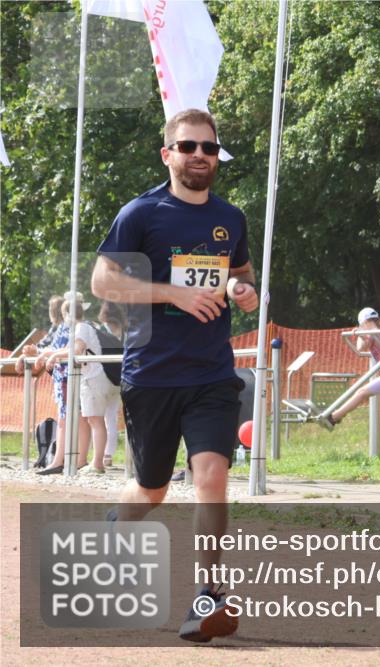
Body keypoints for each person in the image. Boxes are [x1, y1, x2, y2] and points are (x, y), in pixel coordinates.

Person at [91, 108, 258, 642]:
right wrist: (173, 293)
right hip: (152, 375)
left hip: (211, 373)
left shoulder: (231, 218)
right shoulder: (141, 214)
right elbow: (103, 283)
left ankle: (208, 596)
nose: (200, 157)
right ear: (168, 154)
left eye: (209, 148)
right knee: (152, 490)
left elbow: (244, 280)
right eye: (188, 147)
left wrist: (245, 293)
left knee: (211, 478)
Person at [43, 299, 118, 474]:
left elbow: (76, 350)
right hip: (100, 377)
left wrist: (52, 356)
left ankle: (97, 463)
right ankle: (96, 461)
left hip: (93, 377)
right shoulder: (86, 327)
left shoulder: (81, 328)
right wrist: (52, 354)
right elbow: (68, 350)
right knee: (96, 420)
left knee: (95, 420)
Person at [16, 294, 69, 474]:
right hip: (60, 376)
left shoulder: (63, 327)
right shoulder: (60, 327)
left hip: (65, 377)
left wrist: (32, 352)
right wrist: (28, 353)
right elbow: (44, 347)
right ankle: (60, 458)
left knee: (65, 419)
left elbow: (49, 348)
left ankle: (59, 460)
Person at [98, 301, 126, 468]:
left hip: (103, 377)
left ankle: (100, 454)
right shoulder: (126, 331)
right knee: (111, 417)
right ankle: (109, 454)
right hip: (120, 378)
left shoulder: (100, 330)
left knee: (97, 418)